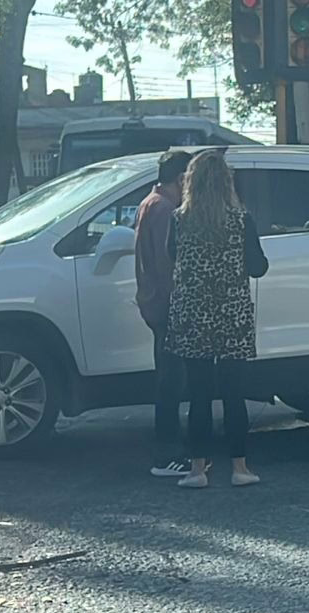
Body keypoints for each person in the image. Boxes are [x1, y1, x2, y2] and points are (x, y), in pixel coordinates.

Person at [166, 151, 269, 489]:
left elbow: (171, 255)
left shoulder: (179, 219)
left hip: (192, 314)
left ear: (190, 183)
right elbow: (258, 267)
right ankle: (240, 468)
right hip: (231, 314)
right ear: (226, 182)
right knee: (233, 394)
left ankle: (197, 470)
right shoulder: (241, 221)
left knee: (198, 395)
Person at [135, 151, 193, 477]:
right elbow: (167, 264)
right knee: (172, 382)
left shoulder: (150, 203)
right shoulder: (166, 211)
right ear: (181, 178)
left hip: (155, 303)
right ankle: (167, 454)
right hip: (168, 305)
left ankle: (168, 450)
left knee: (169, 378)